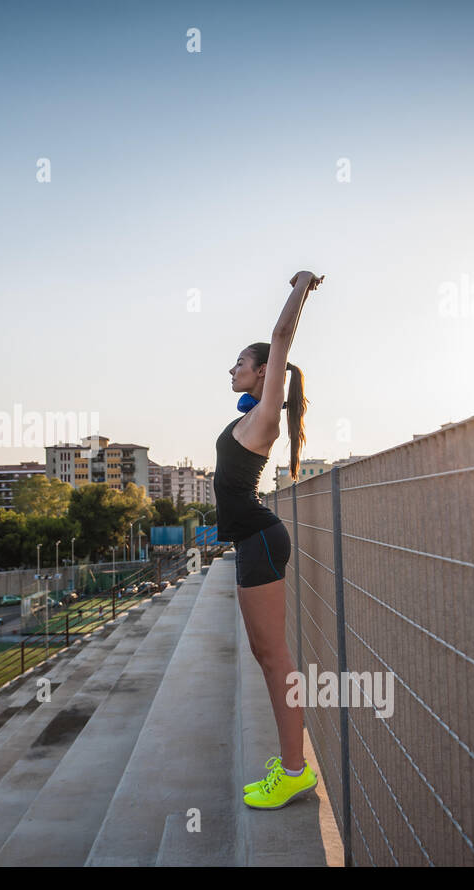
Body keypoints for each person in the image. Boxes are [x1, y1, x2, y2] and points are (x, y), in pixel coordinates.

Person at [213, 269, 323, 810]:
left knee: (276, 657)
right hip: (250, 542)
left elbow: (281, 339)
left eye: (240, 362)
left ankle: (297, 772)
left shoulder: (265, 418)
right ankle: (290, 764)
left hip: (259, 539)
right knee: (265, 653)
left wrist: (300, 287)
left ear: (263, 374)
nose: (232, 368)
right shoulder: (249, 417)